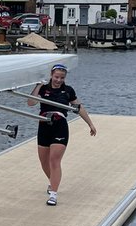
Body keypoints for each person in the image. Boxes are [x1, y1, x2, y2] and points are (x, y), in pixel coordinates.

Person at [28, 63, 96, 205]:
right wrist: (38, 86)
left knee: (54, 160)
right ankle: (53, 182)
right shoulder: (44, 88)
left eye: (62, 78)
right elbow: (30, 102)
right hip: (44, 125)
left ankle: (53, 194)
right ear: (51, 75)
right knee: (43, 161)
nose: (59, 80)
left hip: (60, 126)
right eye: (56, 77)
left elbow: (79, 108)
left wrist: (90, 123)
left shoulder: (68, 90)